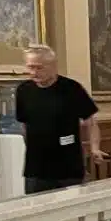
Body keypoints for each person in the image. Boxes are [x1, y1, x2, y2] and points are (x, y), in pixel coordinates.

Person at [14, 45, 103, 194]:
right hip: (36, 167)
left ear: (53, 66)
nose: (34, 73)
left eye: (39, 68)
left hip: (68, 166)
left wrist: (95, 148)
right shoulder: (23, 90)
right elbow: (24, 124)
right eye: (30, 67)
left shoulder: (72, 89)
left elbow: (91, 121)